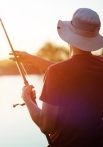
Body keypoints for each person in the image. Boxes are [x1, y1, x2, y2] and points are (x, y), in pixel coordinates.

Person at [11, 8, 103, 147]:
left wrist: (27, 98)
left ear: (69, 36)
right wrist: (33, 59)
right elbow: (75, 71)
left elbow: (46, 126)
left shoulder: (57, 72)